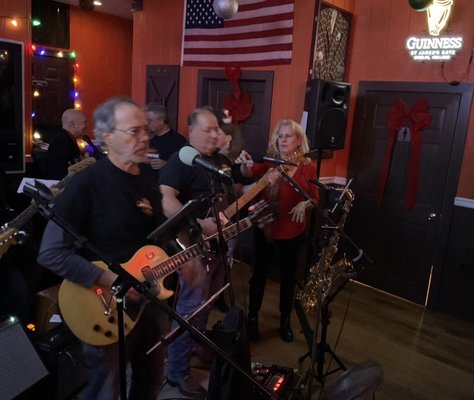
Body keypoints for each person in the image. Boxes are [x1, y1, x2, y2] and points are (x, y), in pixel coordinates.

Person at [37, 97, 168, 400]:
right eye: (134, 131)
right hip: (103, 306)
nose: (144, 138)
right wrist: (112, 280)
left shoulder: (149, 180)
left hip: (150, 303)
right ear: (107, 136)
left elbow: (155, 239)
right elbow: (50, 252)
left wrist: (184, 256)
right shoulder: (86, 184)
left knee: (150, 382)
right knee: (107, 391)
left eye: (146, 130)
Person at [159, 107, 234, 398]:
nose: (215, 134)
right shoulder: (182, 159)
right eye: (208, 129)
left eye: (217, 128)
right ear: (191, 131)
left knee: (206, 305)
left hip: (215, 246)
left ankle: (195, 349)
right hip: (189, 246)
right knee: (190, 309)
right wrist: (198, 225)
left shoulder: (215, 161)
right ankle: (177, 372)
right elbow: (165, 199)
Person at [235, 119, 319, 342]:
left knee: (288, 277)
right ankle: (252, 317)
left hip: (292, 230)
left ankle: (284, 319)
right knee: (259, 275)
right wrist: (244, 164)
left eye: (288, 136)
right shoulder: (271, 162)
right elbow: (249, 171)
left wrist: (303, 204)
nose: (283, 140)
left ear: (299, 140)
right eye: (280, 136)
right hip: (265, 227)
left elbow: (314, 198)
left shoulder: (307, 166)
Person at [144, 103, 186, 172]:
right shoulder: (148, 138)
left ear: (161, 120)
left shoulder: (178, 140)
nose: (147, 124)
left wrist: (166, 164)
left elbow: (185, 168)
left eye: (150, 120)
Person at [46, 109, 87, 179]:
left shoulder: (65, 138)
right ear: (73, 125)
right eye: (84, 123)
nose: (86, 126)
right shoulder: (61, 141)